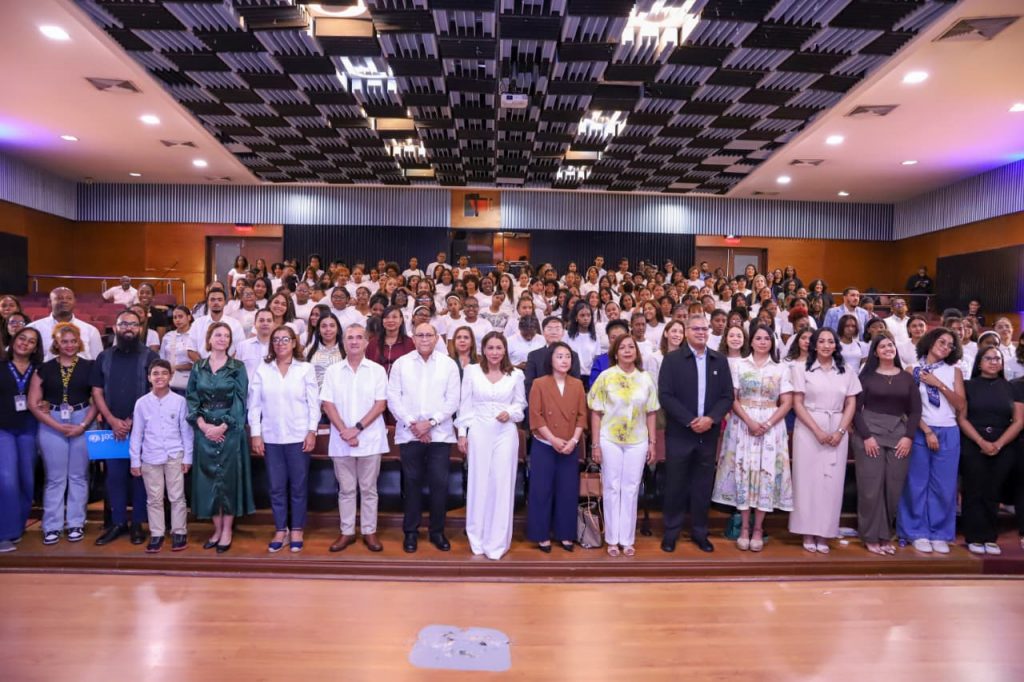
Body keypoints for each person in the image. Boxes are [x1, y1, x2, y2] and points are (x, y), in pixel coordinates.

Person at [711, 324, 794, 552]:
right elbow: (732, 397)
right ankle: (744, 527)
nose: (762, 342)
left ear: (772, 342)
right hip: (742, 423)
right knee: (744, 471)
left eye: (767, 338)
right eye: (758, 338)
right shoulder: (738, 365)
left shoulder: (781, 369)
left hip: (771, 425)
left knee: (764, 472)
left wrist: (767, 423)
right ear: (752, 341)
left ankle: (758, 528)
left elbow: (787, 401)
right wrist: (749, 421)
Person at [387, 322, 461, 553]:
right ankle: (410, 532)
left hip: (440, 435)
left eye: (429, 334)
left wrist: (429, 424)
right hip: (410, 434)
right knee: (412, 484)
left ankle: (437, 531)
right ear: (413, 338)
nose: (425, 339)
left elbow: (453, 400)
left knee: (439, 485)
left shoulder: (448, 364)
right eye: (420, 335)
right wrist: (413, 424)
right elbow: (393, 398)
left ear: (437, 337)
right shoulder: (401, 364)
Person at [90, 310, 160, 546]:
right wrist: (111, 420)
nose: (128, 328)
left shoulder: (150, 356)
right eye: (123, 324)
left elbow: (154, 390)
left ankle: (138, 523)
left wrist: (132, 421)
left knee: (138, 475)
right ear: (115, 327)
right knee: (115, 476)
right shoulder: (104, 356)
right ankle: (118, 522)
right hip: (112, 428)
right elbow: (97, 391)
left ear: (140, 328)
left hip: (143, 428)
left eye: (133, 324)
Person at [789, 327, 861, 554]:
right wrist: (817, 430)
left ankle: (825, 532)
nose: (826, 345)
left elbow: (851, 403)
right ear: (814, 345)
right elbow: (797, 403)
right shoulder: (802, 369)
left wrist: (840, 431)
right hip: (809, 428)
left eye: (831, 341)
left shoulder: (846, 370)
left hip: (837, 427)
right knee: (807, 482)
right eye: (822, 341)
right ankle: (807, 531)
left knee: (831, 483)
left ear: (836, 345)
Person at [248, 325, 319, 553]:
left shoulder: (305, 369)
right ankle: (281, 529)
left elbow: (313, 403)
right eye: (276, 340)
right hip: (271, 436)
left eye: (285, 339)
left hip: (298, 435)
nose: (280, 343)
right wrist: (256, 434)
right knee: (276, 487)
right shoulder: (263, 368)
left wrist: (312, 430)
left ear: (294, 342)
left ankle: (296, 528)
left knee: (298, 486)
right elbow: (254, 405)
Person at [456, 332, 527, 560]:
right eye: (490, 348)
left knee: (501, 484)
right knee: (479, 483)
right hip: (478, 430)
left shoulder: (516, 374)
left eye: (499, 348)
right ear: (483, 350)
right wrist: (461, 433)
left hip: (505, 433)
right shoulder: (471, 371)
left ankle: (497, 541)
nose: (495, 352)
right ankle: (477, 538)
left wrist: (512, 413)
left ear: (505, 350)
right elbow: (464, 405)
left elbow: (520, 404)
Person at [186, 322, 255, 553]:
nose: (222, 339)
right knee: (208, 481)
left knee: (228, 480)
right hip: (204, 428)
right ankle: (216, 529)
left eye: (226, 336)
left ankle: (227, 530)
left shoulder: (237, 367)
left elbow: (240, 399)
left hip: (231, 428)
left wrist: (223, 426)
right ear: (209, 338)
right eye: (218, 335)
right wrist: (204, 426)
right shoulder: (198, 367)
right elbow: (192, 398)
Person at [851, 333, 921, 555]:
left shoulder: (907, 377)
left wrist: (908, 437)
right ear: (875, 352)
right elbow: (855, 410)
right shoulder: (866, 378)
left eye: (891, 345)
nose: (888, 348)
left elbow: (915, 410)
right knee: (871, 489)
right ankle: (871, 537)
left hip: (899, 436)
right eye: (883, 346)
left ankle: (885, 534)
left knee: (893, 488)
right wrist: (867, 436)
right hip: (869, 436)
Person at [589, 334, 659, 556]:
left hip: (637, 441)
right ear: (615, 352)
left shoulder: (646, 378)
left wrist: (652, 442)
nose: (627, 350)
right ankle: (611, 538)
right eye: (623, 347)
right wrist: (595, 444)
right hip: (609, 439)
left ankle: (627, 539)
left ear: (637, 352)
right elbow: (596, 412)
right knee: (611, 487)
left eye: (631, 347)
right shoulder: (606, 377)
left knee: (631, 488)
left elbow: (651, 412)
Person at [321, 324, 389, 553]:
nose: (354, 341)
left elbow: (380, 405)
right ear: (343, 341)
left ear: (367, 342)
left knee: (369, 489)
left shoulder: (377, 370)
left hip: (370, 438)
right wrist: (344, 431)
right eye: (350, 338)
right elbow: (327, 404)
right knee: (346, 489)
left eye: (359, 337)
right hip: (341, 439)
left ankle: (369, 531)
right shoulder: (333, 371)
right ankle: (347, 531)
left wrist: (356, 429)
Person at [898, 327, 966, 554]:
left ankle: (939, 532)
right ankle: (915, 531)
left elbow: (960, 405)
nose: (946, 347)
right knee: (916, 484)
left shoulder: (953, 371)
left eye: (950, 345)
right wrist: (926, 430)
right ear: (930, 341)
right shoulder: (911, 370)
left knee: (944, 486)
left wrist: (939, 384)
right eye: (942, 341)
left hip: (948, 429)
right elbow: (906, 408)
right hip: (921, 429)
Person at [27, 324, 96, 546]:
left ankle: (76, 522)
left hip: (83, 417)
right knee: (55, 478)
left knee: (78, 476)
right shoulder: (43, 369)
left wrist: (83, 425)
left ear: (79, 342)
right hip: (51, 421)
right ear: (56, 343)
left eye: (73, 341)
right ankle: (52, 526)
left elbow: (97, 400)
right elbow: (33, 403)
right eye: (64, 341)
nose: (69, 345)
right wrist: (56, 426)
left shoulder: (90, 366)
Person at [958, 349, 1023, 555]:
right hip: (973, 442)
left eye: (997, 358)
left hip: (1003, 445)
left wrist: (999, 443)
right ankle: (974, 537)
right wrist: (981, 441)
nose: (993, 362)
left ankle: (989, 537)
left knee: (993, 491)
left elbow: (1019, 421)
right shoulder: (968, 386)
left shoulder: (1012, 387)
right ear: (979, 363)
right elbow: (962, 418)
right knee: (974, 490)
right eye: (988, 358)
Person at [526, 341, 586, 553]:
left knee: (568, 491)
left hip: (569, 446)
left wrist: (574, 441)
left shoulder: (577, 384)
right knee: (541, 491)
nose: (564, 360)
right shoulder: (539, 384)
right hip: (545, 444)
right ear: (550, 359)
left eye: (568, 356)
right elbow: (536, 416)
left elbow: (581, 416)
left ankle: (566, 534)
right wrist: (552, 439)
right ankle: (541, 535)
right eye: (559, 356)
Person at [128, 359, 193, 553]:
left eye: (164, 373)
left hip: (175, 454)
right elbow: (137, 433)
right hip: (150, 456)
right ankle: (157, 533)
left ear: (171, 376)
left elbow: (186, 432)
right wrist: (135, 460)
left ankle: (179, 531)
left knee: (177, 496)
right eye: (155, 373)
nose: (160, 377)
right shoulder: (142, 403)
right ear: (149, 377)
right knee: (154, 498)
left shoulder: (180, 401)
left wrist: (187, 457)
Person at [0, 327, 43, 552]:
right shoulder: (1, 365)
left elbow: (48, 398)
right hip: (3, 429)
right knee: (7, 478)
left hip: (29, 428)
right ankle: (3, 534)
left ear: (36, 348)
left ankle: (16, 527)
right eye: (22, 338)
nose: (25, 344)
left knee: (26, 479)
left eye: (31, 342)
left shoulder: (40, 370)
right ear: (13, 340)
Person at [29, 287, 104, 361]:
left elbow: (98, 361)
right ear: (49, 302)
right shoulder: (34, 328)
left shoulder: (91, 330)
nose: (64, 301)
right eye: (59, 298)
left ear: (74, 302)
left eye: (69, 298)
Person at [524, 316, 582, 398]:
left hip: (566, 400)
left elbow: (575, 382)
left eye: (557, 329)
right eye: (549, 329)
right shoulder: (533, 355)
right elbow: (529, 384)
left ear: (563, 333)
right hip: (541, 400)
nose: (553, 332)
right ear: (543, 332)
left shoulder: (572, 355)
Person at [188, 289, 245, 360]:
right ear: (208, 302)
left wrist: (227, 367)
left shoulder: (235, 324)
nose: (216, 302)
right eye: (212, 300)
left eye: (219, 300)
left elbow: (240, 349)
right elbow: (191, 350)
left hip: (229, 369)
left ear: (225, 302)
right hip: (202, 368)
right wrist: (204, 367)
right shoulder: (197, 323)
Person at [366, 306, 415, 377]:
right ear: (382, 321)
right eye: (387, 317)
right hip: (377, 383)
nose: (390, 320)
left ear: (401, 320)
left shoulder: (410, 343)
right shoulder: (373, 343)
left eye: (394, 317)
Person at [160, 305, 194, 395]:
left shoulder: (196, 336)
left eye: (180, 316)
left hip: (189, 379)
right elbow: (162, 358)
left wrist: (176, 367)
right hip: (169, 379)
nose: (177, 320)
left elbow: (198, 362)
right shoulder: (168, 336)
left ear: (189, 317)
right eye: (175, 317)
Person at [305, 311, 343, 390]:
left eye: (332, 326)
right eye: (324, 326)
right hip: (315, 398)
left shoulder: (346, 351)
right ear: (318, 330)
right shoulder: (308, 351)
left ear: (338, 329)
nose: (328, 329)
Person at [236, 309, 274, 378]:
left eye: (269, 321)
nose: (265, 323)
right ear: (254, 324)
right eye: (261, 320)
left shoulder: (279, 347)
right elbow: (236, 372)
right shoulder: (242, 346)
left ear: (273, 324)